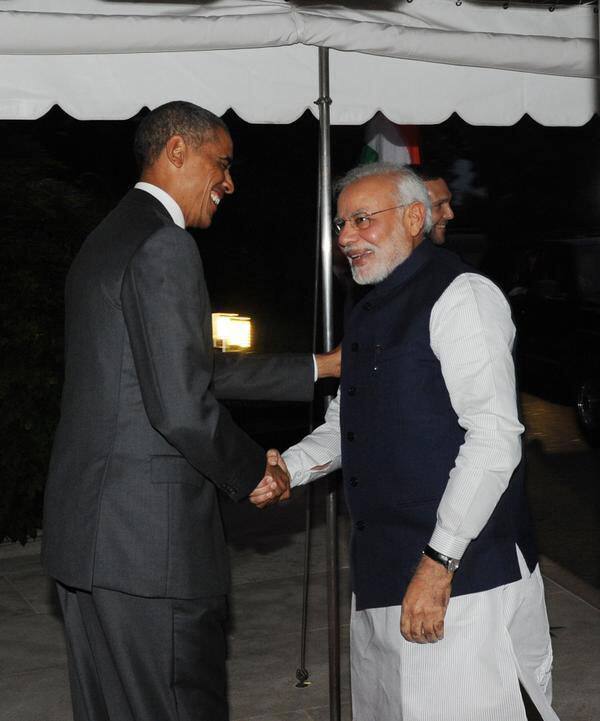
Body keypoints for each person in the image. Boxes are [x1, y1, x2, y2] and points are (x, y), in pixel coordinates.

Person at [42, 101, 339, 721]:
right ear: (177, 149)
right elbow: (180, 404)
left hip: (95, 543)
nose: (229, 183)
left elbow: (182, 369)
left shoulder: (109, 237)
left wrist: (320, 367)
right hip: (150, 550)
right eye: (221, 163)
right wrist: (253, 470)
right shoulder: (164, 243)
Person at [262, 163, 559, 720]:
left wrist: (437, 562)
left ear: (416, 218)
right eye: (342, 223)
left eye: (363, 219)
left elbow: (494, 440)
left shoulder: (463, 296)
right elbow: (349, 419)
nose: (346, 236)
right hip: (383, 571)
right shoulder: (369, 305)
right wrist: (291, 470)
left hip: (463, 579)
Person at [408, 163, 455, 245]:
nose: (450, 215)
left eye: (449, 202)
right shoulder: (382, 256)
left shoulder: (447, 257)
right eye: (438, 205)